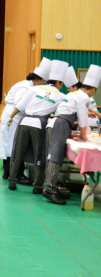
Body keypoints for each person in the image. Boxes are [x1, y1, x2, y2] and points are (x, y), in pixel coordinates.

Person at [7, 60, 68, 192]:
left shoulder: (34, 89)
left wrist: (11, 117)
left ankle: (12, 180)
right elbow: (61, 113)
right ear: (58, 83)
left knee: (17, 152)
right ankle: (38, 185)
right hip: (39, 125)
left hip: (24, 122)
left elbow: (20, 105)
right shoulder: (61, 96)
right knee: (39, 155)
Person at [42, 65, 99, 204]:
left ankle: (51, 187)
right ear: (93, 89)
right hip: (61, 124)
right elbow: (83, 120)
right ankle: (49, 189)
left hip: (57, 123)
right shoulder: (84, 97)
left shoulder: (74, 94)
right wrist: (85, 138)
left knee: (54, 156)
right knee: (55, 157)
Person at [0, 58, 51, 179]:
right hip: (13, 117)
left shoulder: (30, 86)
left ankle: (11, 172)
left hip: (17, 117)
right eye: (43, 81)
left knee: (13, 144)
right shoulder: (25, 87)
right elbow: (20, 104)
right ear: (37, 79)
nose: (43, 84)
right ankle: (12, 173)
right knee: (13, 145)